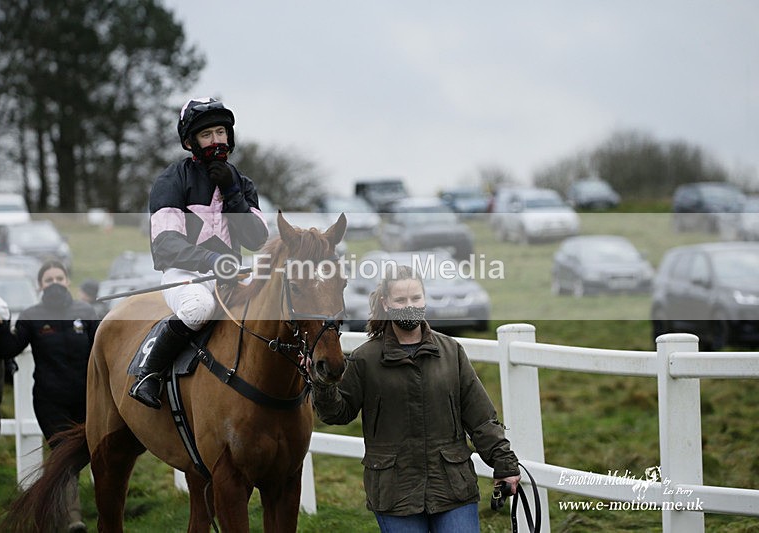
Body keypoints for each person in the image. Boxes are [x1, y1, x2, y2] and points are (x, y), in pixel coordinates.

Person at [312, 264, 521, 533]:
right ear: (386, 304)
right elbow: (337, 414)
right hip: (394, 493)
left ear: (424, 299)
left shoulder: (451, 352)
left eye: (415, 298)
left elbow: (480, 417)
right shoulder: (365, 359)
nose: (409, 305)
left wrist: (504, 463)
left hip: (452, 487)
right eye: (400, 300)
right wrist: (324, 383)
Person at [129, 97, 268, 409]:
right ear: (191, 141)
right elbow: (165, 245)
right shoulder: (171, 180)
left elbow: (258, 239)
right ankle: (147, 373)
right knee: (198, 309)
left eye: (221, 132)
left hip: (230, 278)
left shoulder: (242, 184)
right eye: (207, 135)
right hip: (184, 275)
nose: (216, 140)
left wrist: (233, 194)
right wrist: (213, 261)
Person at [0, 260, 98, 533]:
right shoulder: (31, 316)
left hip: (89, 400)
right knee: (64, 455)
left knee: (92, 454)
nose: (54, 283)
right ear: (40, 285)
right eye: (48, 280)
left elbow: (103, 348)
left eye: (59, 278)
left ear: (67, 281)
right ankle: (74, 520)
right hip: (51, 402)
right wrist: (0, 326)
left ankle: (49, 499)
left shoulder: (86, 312)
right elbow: (8, 349)